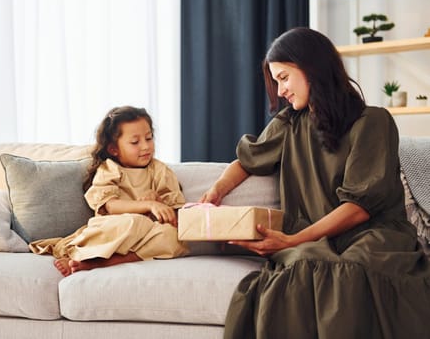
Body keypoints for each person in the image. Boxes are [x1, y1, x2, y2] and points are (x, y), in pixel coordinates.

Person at [200, 27, 430, 338]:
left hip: (373, 235)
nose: (280, 91)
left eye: (283, 78)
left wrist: (294, 240)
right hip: (314, 241)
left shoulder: (373, 122)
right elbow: (247, 160)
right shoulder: (288, 124)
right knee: (298, 273)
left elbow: (359, 208)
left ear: (311, 68)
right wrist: (216, 191)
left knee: (348, 274)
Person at [30, 105, 188, 276]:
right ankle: (86, 256)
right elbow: (111, 206)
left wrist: (158, 201)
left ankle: (110, 261)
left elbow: (174, 212)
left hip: (146, 234)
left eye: (149, 138)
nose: (145, 146)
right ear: (114, 149)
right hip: (118, 228)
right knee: (134, 222)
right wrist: (148, 205)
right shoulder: (110, 169)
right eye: (135, 142)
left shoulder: (160, 171)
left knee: (174, 237)